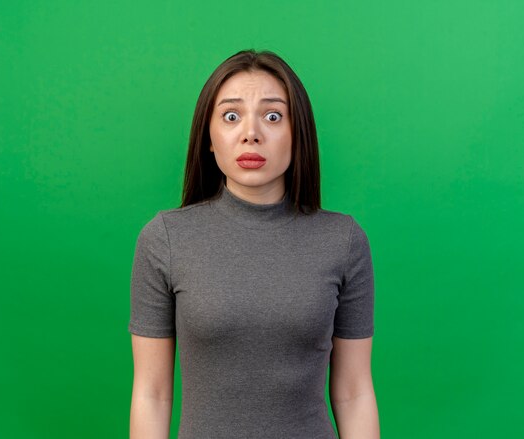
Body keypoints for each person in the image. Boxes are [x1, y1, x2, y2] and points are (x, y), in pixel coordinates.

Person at [129, 49, 379, 439]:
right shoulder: (165, 239)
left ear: (299, 135)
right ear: (208, 139)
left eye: (273, 116)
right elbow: (152, 393)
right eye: (231, 116)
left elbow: (353, 392)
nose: (251, 132)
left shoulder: (343, 241)